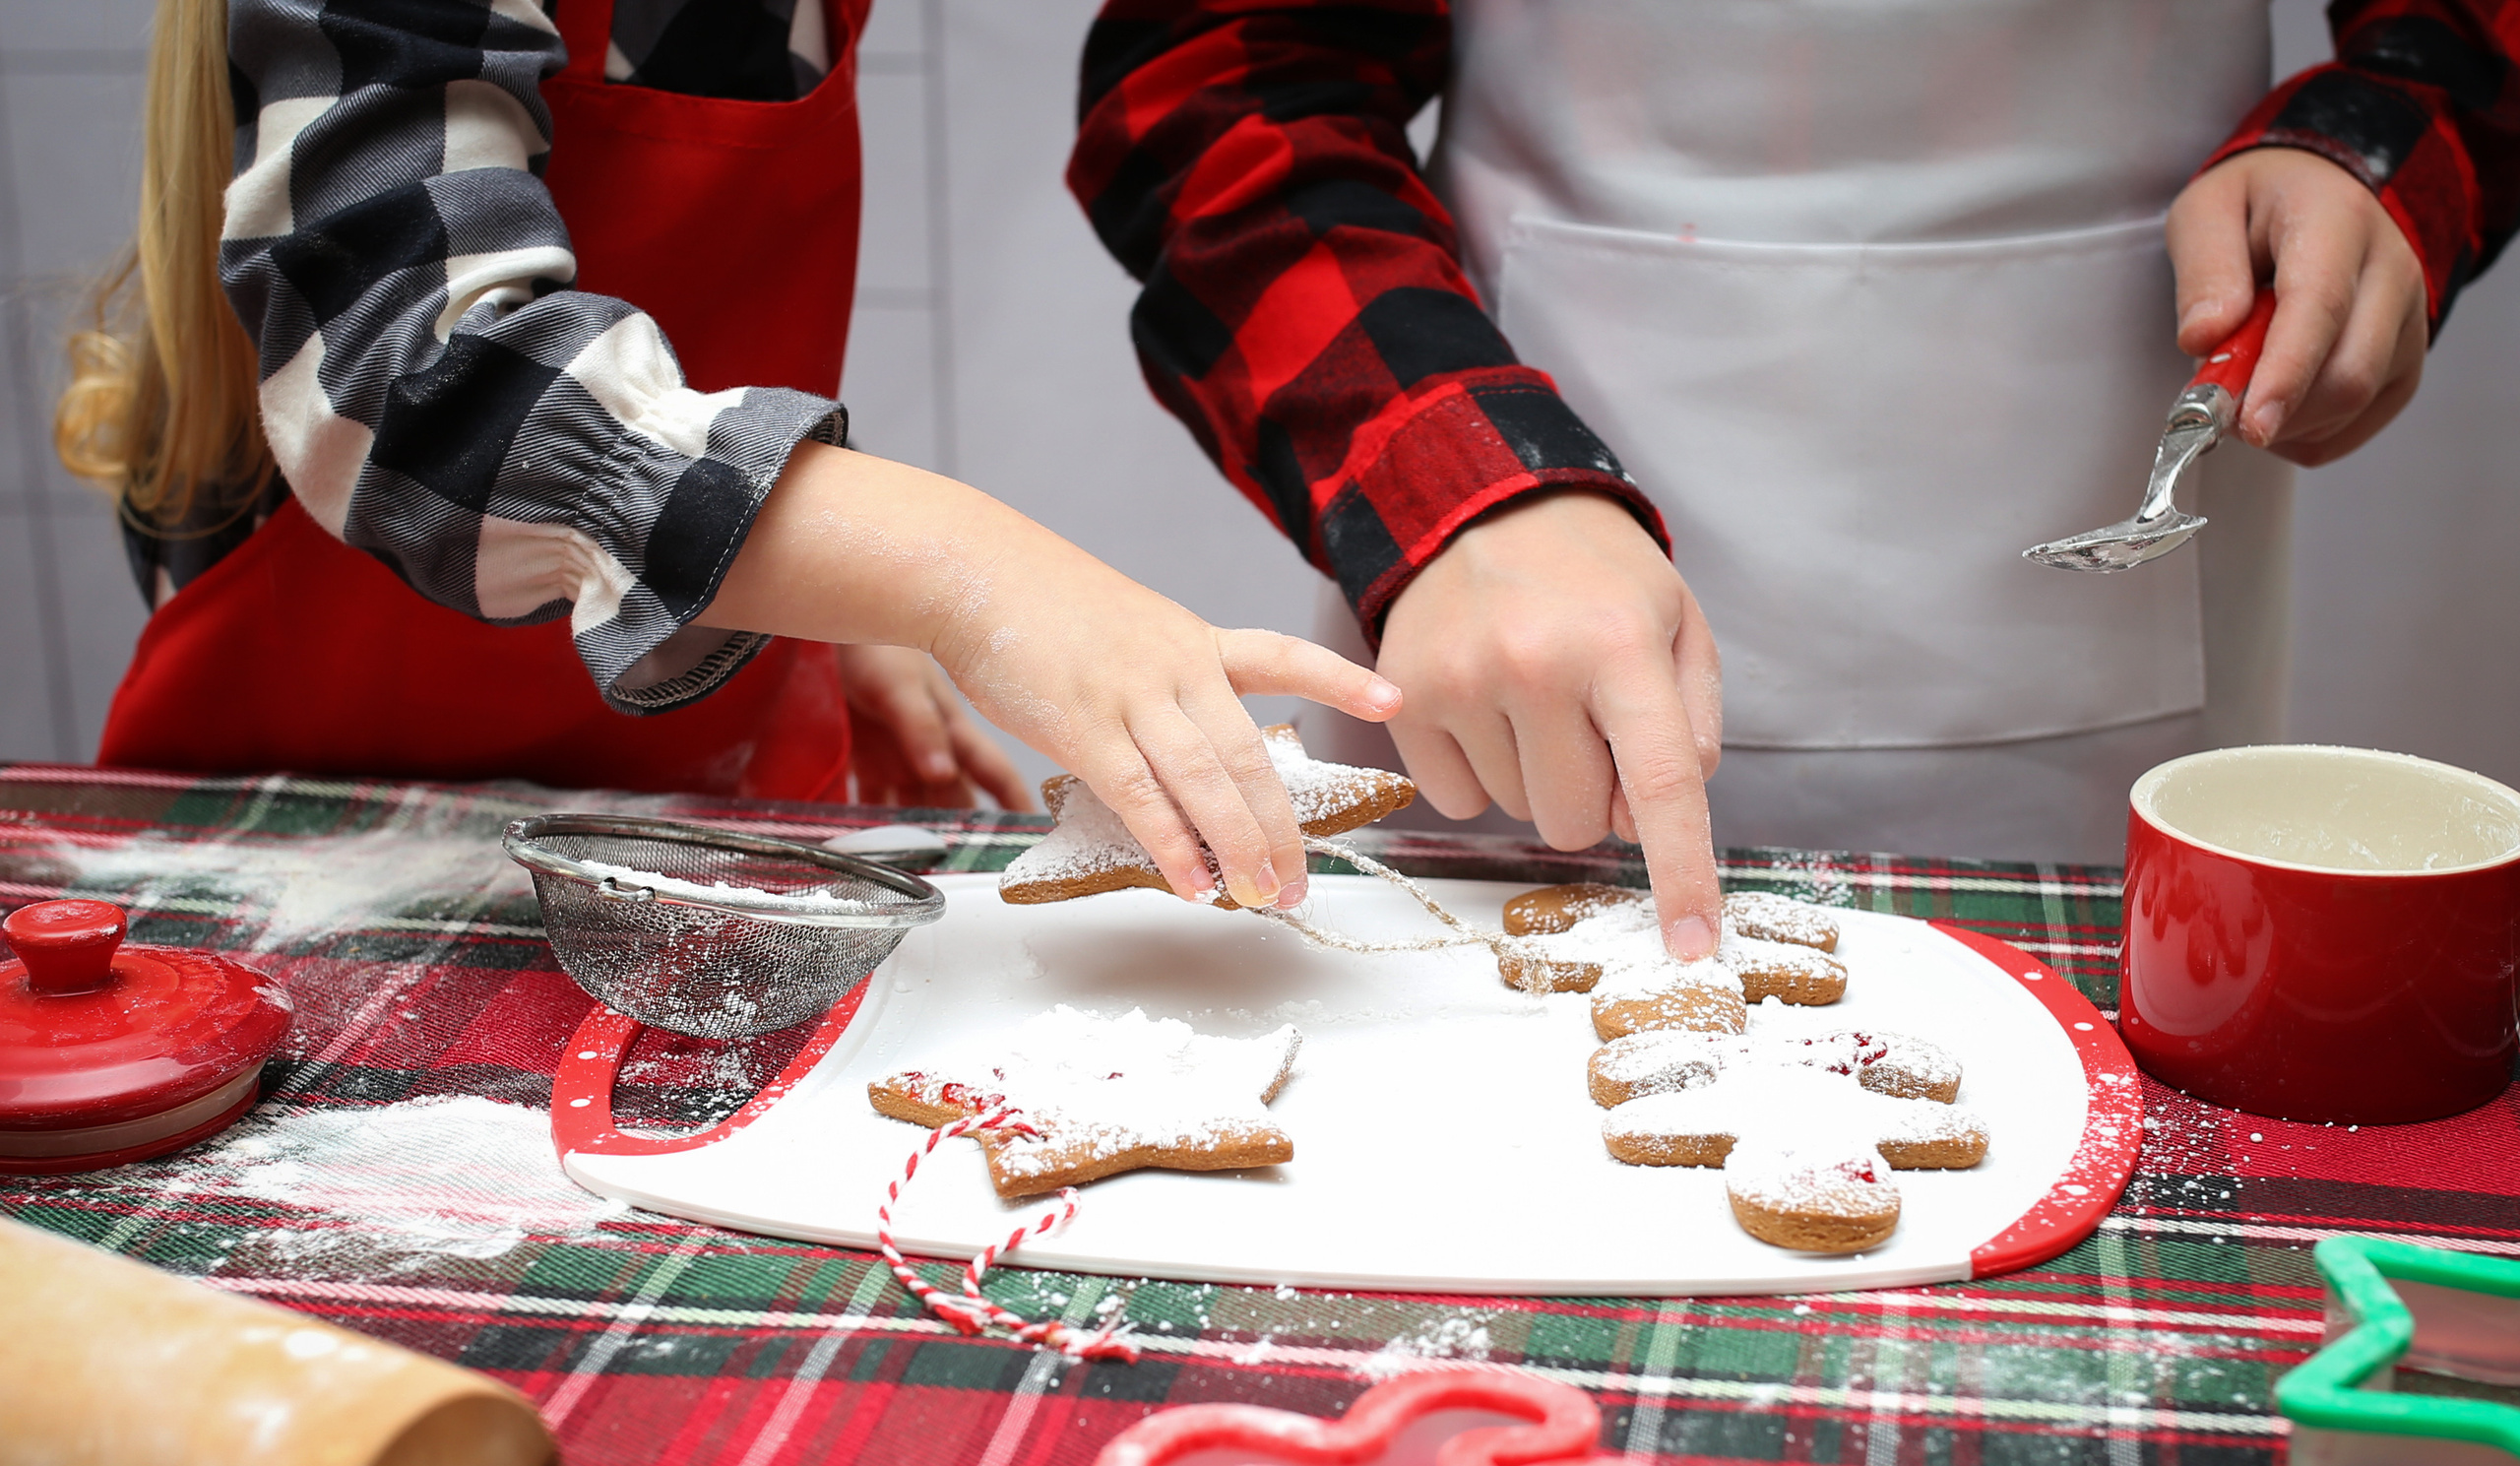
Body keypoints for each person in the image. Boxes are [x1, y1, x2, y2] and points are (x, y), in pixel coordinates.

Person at [1069, 0, 2517, 956]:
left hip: (2107, 515)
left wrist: (2396, 133)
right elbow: (1219, 84)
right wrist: (1455, 484)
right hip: (1504, 530)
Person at [53, 0, 1401, 914]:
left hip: (690, 818)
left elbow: (667, 332)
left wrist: (823, 599)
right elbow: (411, 375)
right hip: (339, 866)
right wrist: (965, 570)